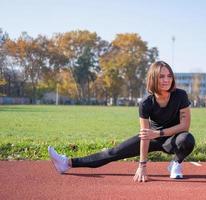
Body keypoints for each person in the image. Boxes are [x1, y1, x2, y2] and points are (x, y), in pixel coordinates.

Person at [48, 60, 195, 182]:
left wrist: (158, 133)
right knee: (114, 152)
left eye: (169, 76)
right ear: (153, 78)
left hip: (172, 139)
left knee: (187, 139)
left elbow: (185, 126)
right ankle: (67, 163)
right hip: (150, 138)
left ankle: (176, 163)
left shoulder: (180, 95)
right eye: (161, 76)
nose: (166, 80)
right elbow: (144, 136)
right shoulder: (146, 103)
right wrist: (142, 165)